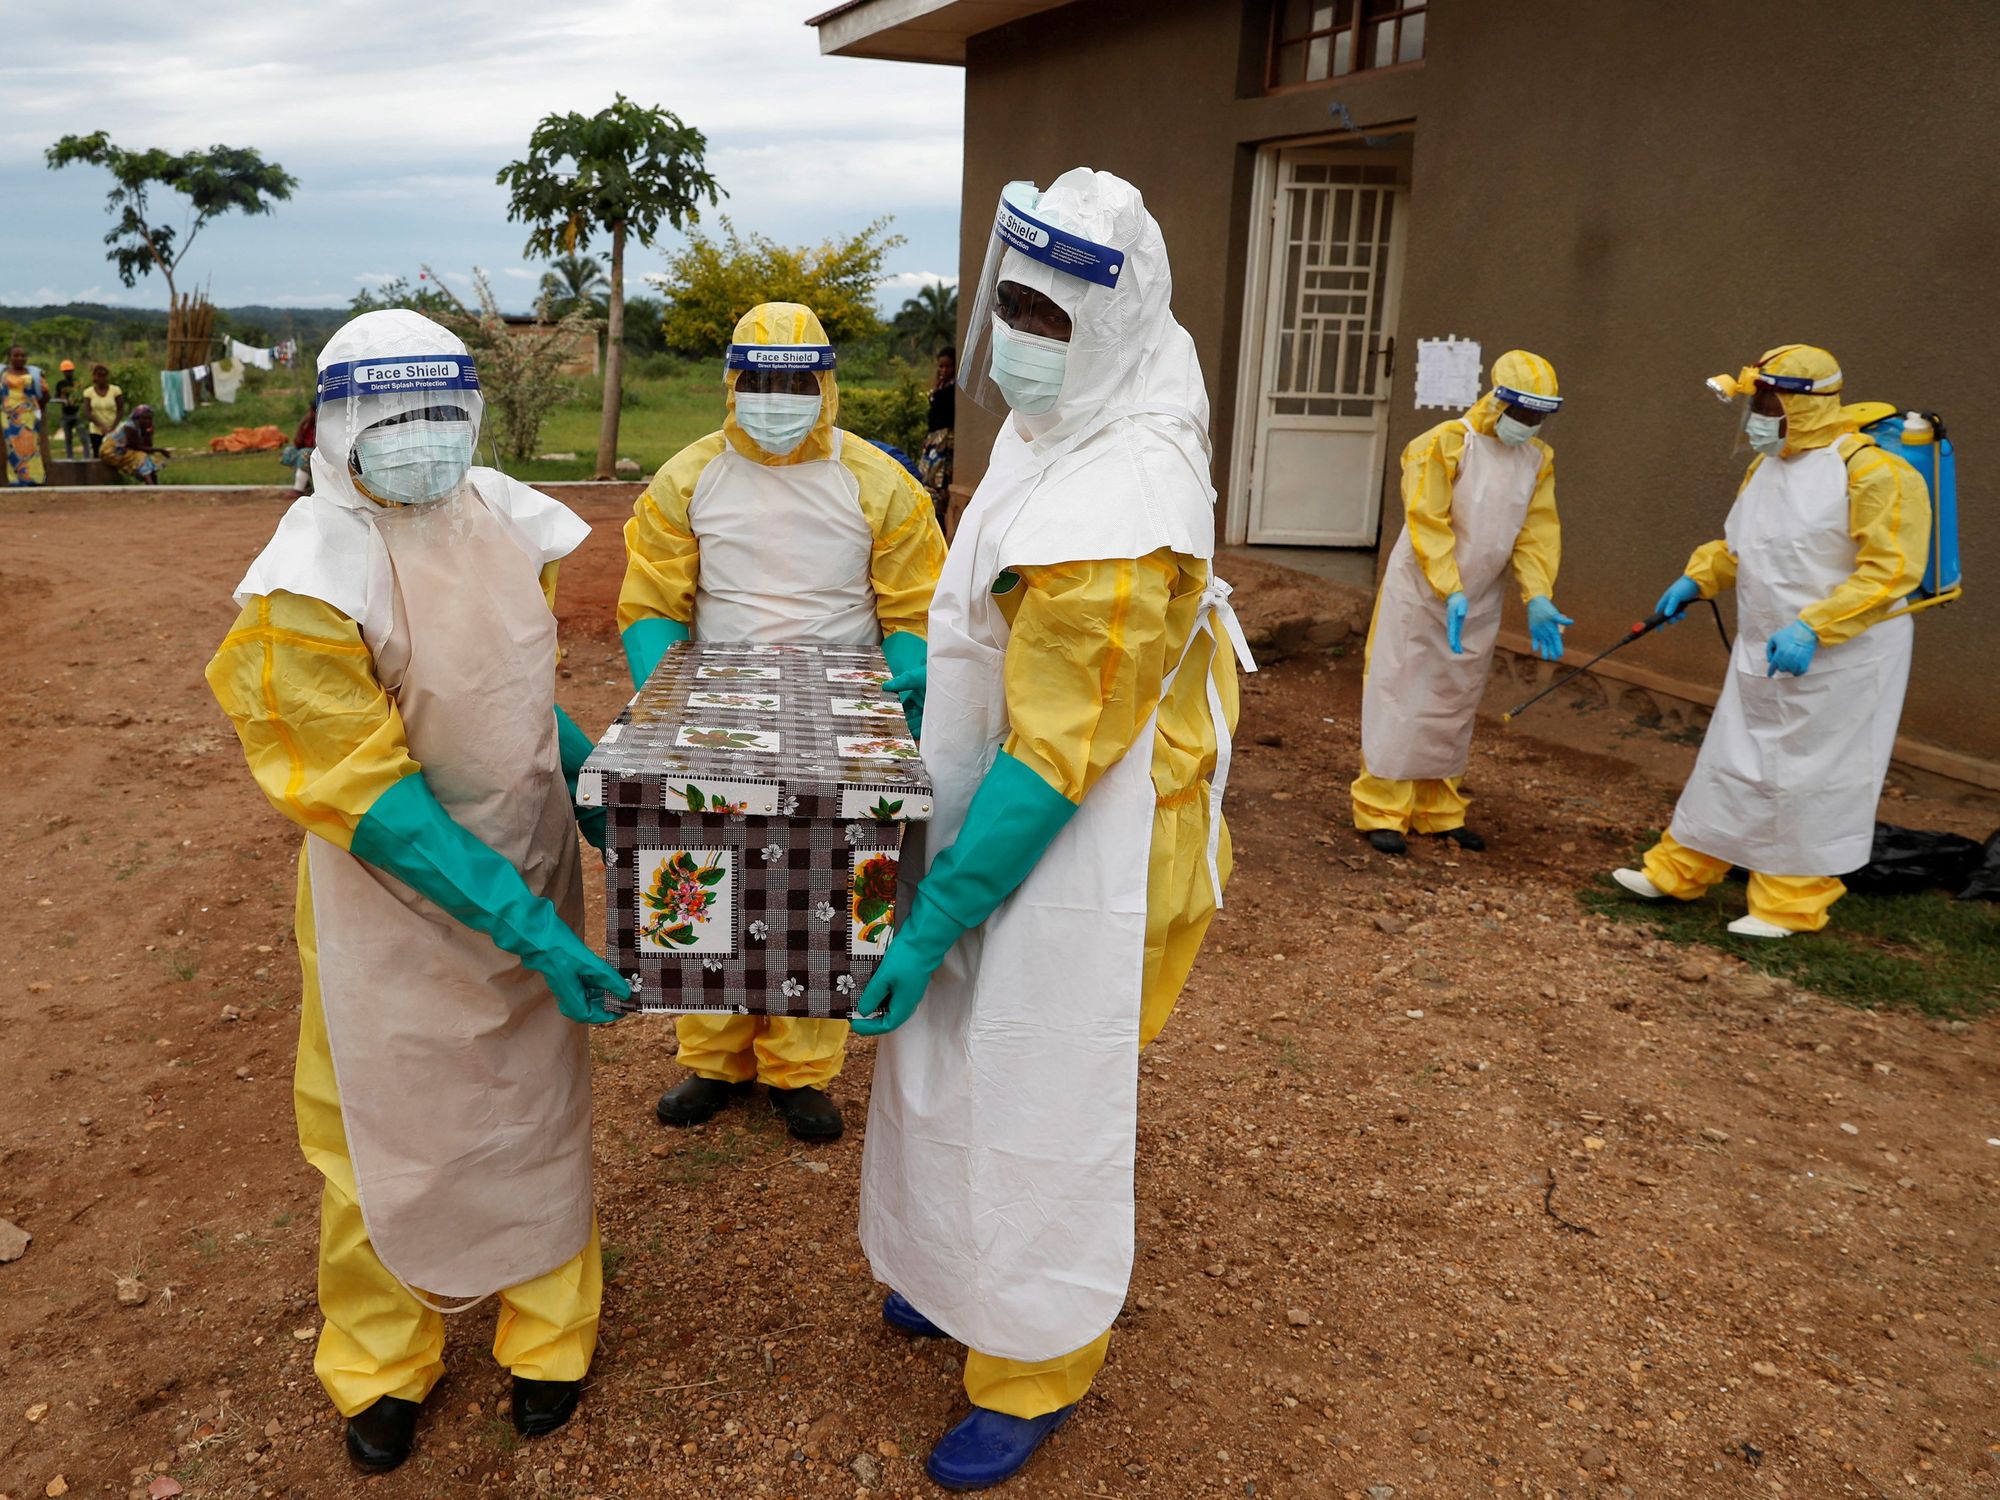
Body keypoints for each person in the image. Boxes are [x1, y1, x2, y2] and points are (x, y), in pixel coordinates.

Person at [851, 169, 1254, 1491]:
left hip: (1086, 841)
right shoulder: (1075, 399)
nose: (1017, 335)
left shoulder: (1124, 497)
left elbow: (1061, 750)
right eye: (1006, 304)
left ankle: (1032, 1360)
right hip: (997, 806)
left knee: (1037, 1080)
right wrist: (932, 670)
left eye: (1045, 313)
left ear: (1110, 323)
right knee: (950, 1051)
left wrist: (943, 912)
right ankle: (946, 1269)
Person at [205, 310, 627, 1474]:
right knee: (383, 1132)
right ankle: (384, 1361)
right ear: (337, 424)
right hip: (390, 903)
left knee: (536, 1109)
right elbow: (369, 791)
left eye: (444, 413)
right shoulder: (306, 583)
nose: (423, 442)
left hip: (528, 859)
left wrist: (593, 780)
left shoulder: (496, 517)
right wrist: (523, 927)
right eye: (394, 420)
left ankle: (550, 1336)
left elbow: (504, 686)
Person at [617, 300, 945, 1144]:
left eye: (796, 379)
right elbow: (654, 596)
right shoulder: (690, 477)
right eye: (759, 379)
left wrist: (907, 666)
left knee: (829, 878)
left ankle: (804, 1070)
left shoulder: (880, 482)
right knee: (701, 871)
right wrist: (669, 697)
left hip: (841, 710)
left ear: (826, 385)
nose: (777, 396)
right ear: (732, 383)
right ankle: (712, 1058)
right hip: (717, 707)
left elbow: (915, 602)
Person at [1614, 344, 1928, 937]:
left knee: (1814, 779)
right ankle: (1679, 871)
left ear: (1801, 405)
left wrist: (1816, 626)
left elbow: (1890, 572)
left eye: (1765, 403)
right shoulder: (1769, 466)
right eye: (1754, 403)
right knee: (1731, 758)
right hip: (1764, 643)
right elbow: (1742, 545)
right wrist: (1698, 577)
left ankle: (1787, 906)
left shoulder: (1874, 472)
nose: (1756, 417)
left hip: (1845, 656)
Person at [1350, 350, 1572, 855]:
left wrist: (1537, 594)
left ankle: (1438, 810)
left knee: (1454, 699)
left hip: (1479, 596)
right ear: (1499, 402)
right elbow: (1428, 519)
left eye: (1541, 416)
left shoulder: (1536, 460)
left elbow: (1537, 532)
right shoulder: (1448, 443)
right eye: (1525, 413)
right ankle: (1383, 808)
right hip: (1422, 591)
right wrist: (1449, 587)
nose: (1532, 425)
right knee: (1401, 691)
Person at [917, 344, 956, 527]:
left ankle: (940, 526)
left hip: (944, 443)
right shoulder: (940, 389)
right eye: (940, 366)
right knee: (929, 484)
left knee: (939, 486)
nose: (943, 370)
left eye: (947, 366)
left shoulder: (953, 391)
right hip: (933, 443)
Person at [4, 345, 49, 486]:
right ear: (9, 357)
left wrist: (37, 409)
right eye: (16, 355)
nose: (19, 358)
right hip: (8, 417)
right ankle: (16, 480)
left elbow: (46, 394)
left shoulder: (34, 374)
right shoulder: (2, 374)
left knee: (32, 447)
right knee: (12, 447)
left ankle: (35, 478)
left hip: (29, 416)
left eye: (22, 355)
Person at [99, 406, 169, 483]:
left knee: (148, 458)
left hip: (124, 449)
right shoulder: (129, 426)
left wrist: (148, 434)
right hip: (111, 451)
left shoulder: (142, 427)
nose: (147, 421)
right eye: (144, 419)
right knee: (141, 457)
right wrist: (160, 450)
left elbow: (148, 447)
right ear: (137, 418)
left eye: (150, 419)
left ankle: (154, 486)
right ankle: (150, 485)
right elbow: (136, 446)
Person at [82, 364, 124, 456]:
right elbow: (87, 412)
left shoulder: (115, 390)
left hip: (114, 429)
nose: (102, 379)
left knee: (115, 455)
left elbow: (120, 410)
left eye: (104, 376)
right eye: (99, 376)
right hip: (96, 430)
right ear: (95, 377)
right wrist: (101, 426)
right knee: (98, 455)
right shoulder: (88, 392)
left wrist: (113, 428)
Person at [54, 360, 83, 460]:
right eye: (66, 371)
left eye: (70, 371)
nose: (68, 373)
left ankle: (87, 456)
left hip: (77, 412)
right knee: (68, 438)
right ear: (63, 372)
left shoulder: (77, 383)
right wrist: (61, 399)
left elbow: (82, 397)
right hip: (66, 413)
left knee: (83, 437)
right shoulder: (60, 384)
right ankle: (70, 457)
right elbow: (56, 398)